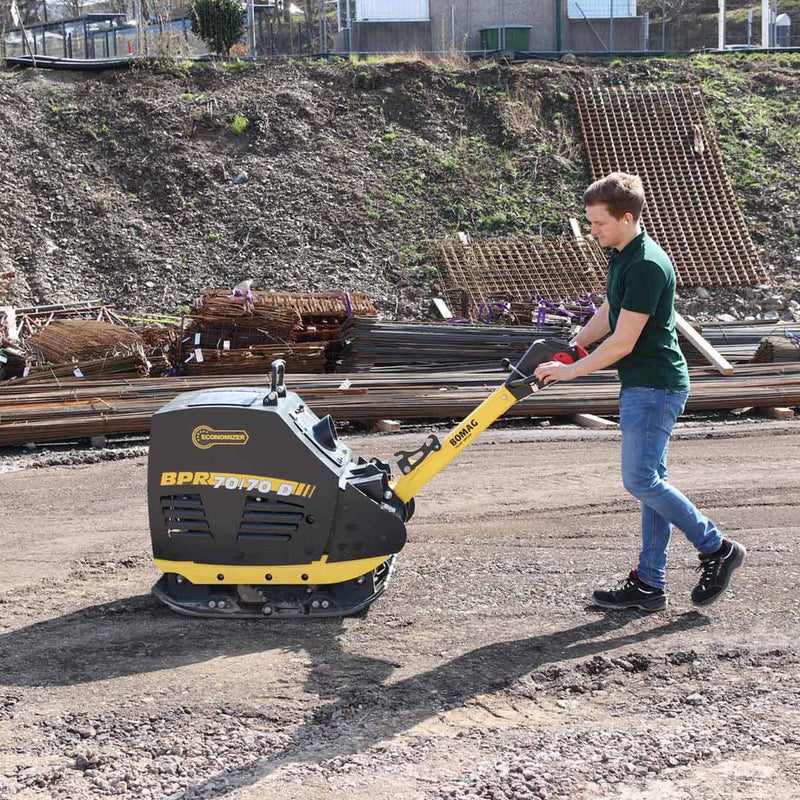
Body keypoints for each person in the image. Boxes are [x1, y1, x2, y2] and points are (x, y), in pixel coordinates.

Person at [533, 172, 745, 611]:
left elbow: (624, 340)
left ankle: (717, 548)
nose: (593, 233)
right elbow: (609, 310)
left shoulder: (647, 263)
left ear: (627, 217)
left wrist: (570, 373)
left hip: (656, 385)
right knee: (652, 484)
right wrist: (573, 347)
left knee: (641, 480)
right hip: (643, 384)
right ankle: (650, 584)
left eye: (599, 224)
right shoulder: (623, 255)